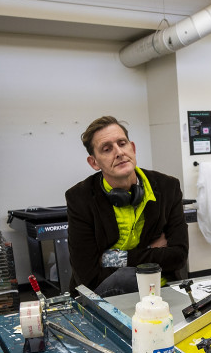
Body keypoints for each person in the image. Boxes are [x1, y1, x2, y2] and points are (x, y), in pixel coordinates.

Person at [66, 116, 188, 296]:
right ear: (94, 163)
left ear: (133, 148)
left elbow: (178, 256)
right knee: (127, 278)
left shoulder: (167, 187)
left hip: (160, 288)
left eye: (122, 144)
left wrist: (113, 257)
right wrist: (151, 253)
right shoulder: (80, 198)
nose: (119, 152)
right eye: (107, 149)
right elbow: (87, 274)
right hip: (104, 292)